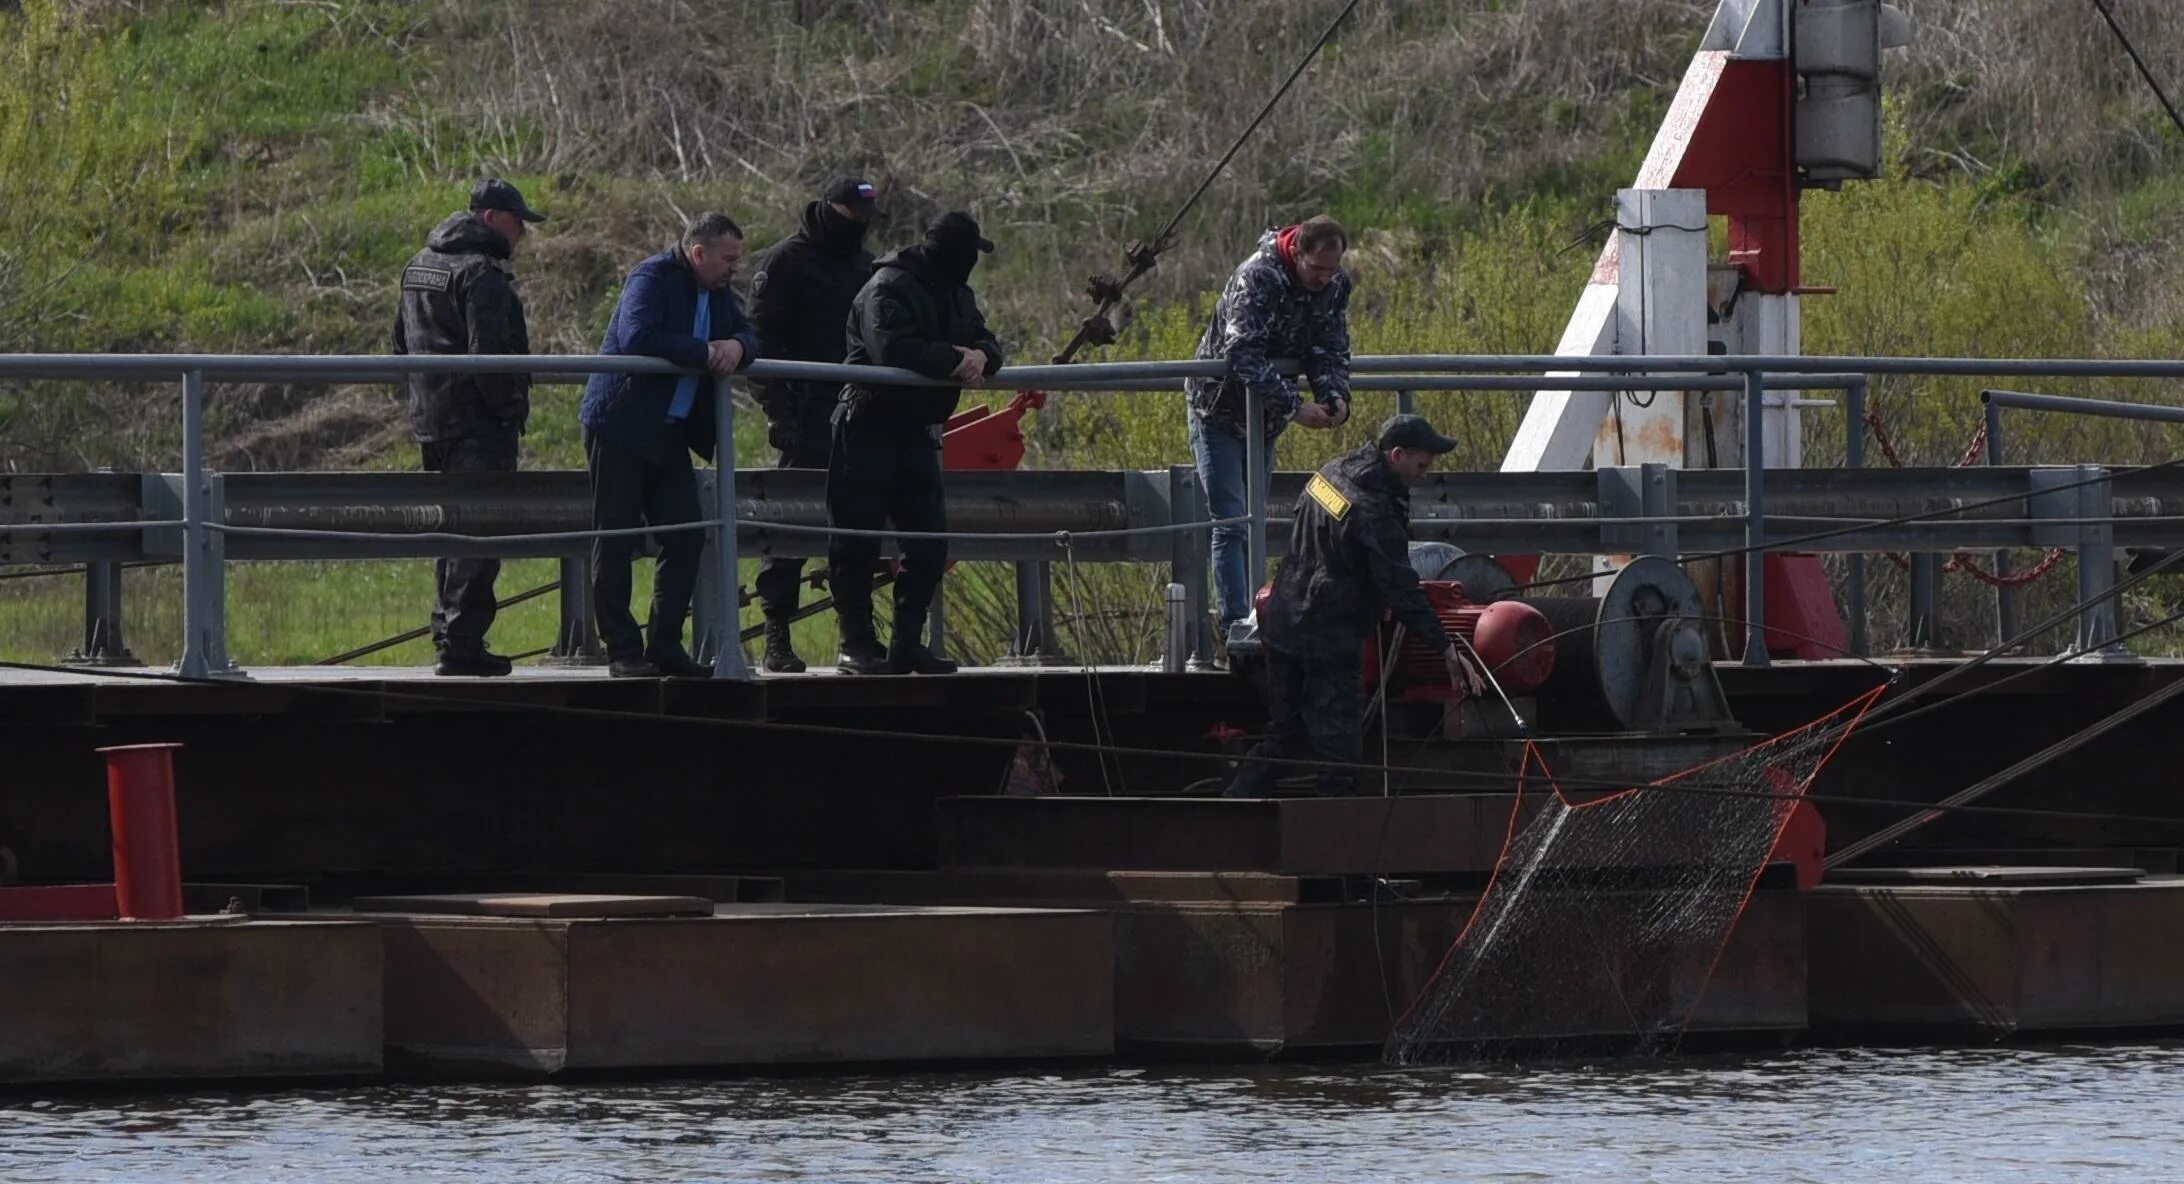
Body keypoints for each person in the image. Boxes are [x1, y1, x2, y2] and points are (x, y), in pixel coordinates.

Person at [1222, 414, 1484, 799]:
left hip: (1283, 617)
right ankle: (1337, 836)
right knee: (1339, 746)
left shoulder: (1331, 473)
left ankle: (1232, 806)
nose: (1425, 474)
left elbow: (1319, 536)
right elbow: (1400, 586)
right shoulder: (1375, 511)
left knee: (1286, 732)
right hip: (1328, 634)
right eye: (1421, 465)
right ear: (1397, 455)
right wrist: (1445, 646)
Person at [578, 212, 760, 678]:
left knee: (685, 535)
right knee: (616, 535)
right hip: (621, 425)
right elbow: (637, 336)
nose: (733, 268)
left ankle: (664, 645)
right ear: (698, 254)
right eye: (727, 258)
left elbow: (747, 331)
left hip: (669, 433)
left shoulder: (717, 292)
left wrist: (738, 347)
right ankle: (622, 650)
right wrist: (702, 352)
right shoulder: (652, 277)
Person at [827, 211, 1005, 676]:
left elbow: (987, 340)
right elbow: (893, 349)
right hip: (867, 423)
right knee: (857, 540)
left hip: (917, 429)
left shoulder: (956, 293)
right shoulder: (887, 287)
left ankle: (908, 641)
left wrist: (981, 356)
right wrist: (955, 357)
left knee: (928, 541)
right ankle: (856, 644)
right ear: (952, 254)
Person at [392, 177, 545, 677]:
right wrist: (509, 409)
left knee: (447, 530)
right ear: (490, 219)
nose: (521, 232)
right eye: (518, 221)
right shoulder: (482, 274)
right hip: (479, 425)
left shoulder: (419, 265)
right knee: (480, 533)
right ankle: (461, 644)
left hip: (430, 420)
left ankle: (447, 635)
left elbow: (400, 343)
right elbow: (491, 358)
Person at [1184, 214, 1356, 649]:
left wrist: (1335, 395)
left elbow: (1329, 346)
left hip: (1266, 418)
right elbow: (1241, 352)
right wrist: (1296, 408)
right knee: (1233, 519)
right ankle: (1236, 624)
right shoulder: (1258, 277)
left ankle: (1260, 617)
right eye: (1317, 269)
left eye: (1331, 270)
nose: (1324, 279)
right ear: (1296, 252)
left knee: (1254, 515)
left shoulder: (1335, 286)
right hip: (1218, 409)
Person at [747, 177, 881, 673]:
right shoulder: (786, 263)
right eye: (854, 219)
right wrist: (778, 411)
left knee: (857, 526)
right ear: (830, 210)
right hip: (805, 411)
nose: (861, 229)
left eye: (867, 221)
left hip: (858, 410)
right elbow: (759, 340)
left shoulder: (865, 266)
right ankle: (776, 633)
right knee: (790, 524)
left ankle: (857, 635)